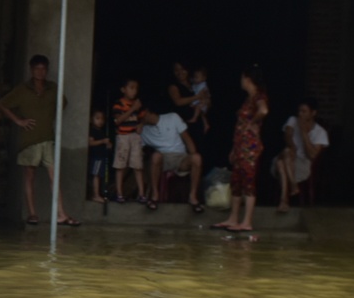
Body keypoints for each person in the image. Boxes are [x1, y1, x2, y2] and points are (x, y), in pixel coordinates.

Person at [0, 54, 78, 226]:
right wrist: (18, 121)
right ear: (32, 70)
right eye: (37, 68)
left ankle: (61, 214)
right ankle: (32, 213)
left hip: (48, 138)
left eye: (43, 69)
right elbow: (2, 104)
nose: (40, 72)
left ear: (46, 70)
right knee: (29, 176)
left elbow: (62, 104)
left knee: (54, 177)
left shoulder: (52, 88)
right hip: (29, 139)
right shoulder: (23, 89)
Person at [214, 67, 269, 232]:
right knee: (236, 181)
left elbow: (264, 110)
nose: (241, 81)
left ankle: (247, 221)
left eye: (242, 78)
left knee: (248, 181)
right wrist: (233, 148)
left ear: (247, 78)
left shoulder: (259, 95)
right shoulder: (248, 98)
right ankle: (233, 218)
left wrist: (254, 122)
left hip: (250, 147)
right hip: (240, 145)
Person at [140, 107, 203, 212]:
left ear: (148, 112)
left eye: (143, 115)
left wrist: (192, 154)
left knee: (197, 158)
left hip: (180, 157)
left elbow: (187, 139)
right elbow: (139, 152)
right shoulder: (143, 130)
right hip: (163, 158)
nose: (142, 118)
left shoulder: (172, 117)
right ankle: (155, 196)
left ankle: (193, 197)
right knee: (155, 156)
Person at [274, 98, 330, 212]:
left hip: (302, 163)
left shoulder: (320, 132)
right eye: (299, 111)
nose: (300, 114)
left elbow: (312, 155)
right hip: (289, 155)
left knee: (281, 163)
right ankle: (293, 186)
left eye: (304, 111)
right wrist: (293, 147)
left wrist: (304, 133)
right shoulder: (293, 120)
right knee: (286, 152)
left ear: (313, 113)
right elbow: (288, 135)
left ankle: (284, 200)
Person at [110, 77, 146, 203]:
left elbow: (142, 118)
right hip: (123, 137)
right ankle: (119, 194)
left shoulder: (138, 104)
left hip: (135, 137)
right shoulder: (118, 104)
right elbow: (118, 121)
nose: (134, 91)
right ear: (123, 90)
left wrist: (141, 125)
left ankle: (141, 194)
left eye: (136, 88)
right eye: (131, 88)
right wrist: (132, 109)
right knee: (120, 165)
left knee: (138, 165)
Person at [86, 109, 111, 203]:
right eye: (97, 118)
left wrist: (108, 145)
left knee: (100, 176)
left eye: (102, 119)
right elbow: (91, 143)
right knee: (96, 175)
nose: (100, 121)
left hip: (101, 157)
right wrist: (102, 141)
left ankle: (98, 193)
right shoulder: (92, 131)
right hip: (96, 157)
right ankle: (95, 195)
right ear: (91, 119)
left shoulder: (101, 131)